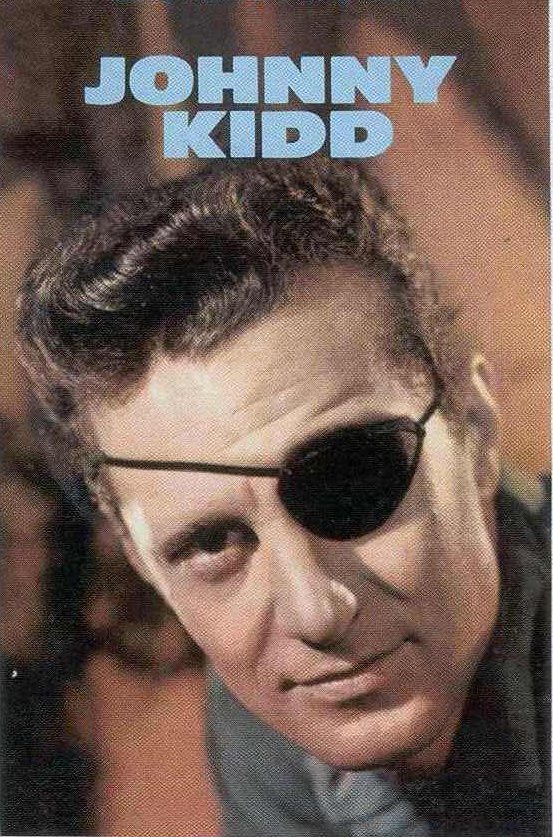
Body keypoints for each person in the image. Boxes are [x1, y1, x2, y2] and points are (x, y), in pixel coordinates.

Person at [17, 159, 549, 837]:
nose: (314, 612)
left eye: (352, 480)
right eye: (211, 542)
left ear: (475, 435)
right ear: (144, 562)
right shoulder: (267, 723)